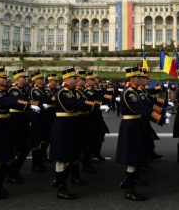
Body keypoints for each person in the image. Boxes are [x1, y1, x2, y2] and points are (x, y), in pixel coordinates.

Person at [0, 67, 41, 200]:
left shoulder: (4, 92)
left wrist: (30, 103)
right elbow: (10, 102)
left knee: (8, 158)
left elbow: (18, 100)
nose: (6, 79)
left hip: (4, 126)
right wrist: (28, 105)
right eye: (3, 78)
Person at [49, 67, 104, 199]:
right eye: (74, 78)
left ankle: (61, 182)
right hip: (63, 127)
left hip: (71, 126)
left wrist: (94, 104)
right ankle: (61, 188)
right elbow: (75, 103)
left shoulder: (72, 91)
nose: (77, 80)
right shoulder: (64, 92)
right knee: (62, 158)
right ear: (67, 79)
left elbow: (80, 101)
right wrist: (95, 105)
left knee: (71, 157)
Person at [116, 67, 167, 201]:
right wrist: (159, 118)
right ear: (132, 79)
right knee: (132, 158)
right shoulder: (129, 93)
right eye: (138, 77)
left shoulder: (137, 92)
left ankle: (130, 183)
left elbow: (148, 103)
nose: (142, 79)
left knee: (136, 156)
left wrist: (162, 108)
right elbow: (141, 108)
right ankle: (129, 190)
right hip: (130, 127)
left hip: (136, 125)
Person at [29, 71, 56, 173]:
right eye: (39, 79)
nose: (41, 80)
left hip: (45, 118)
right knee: (37, 142)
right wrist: (47, 101)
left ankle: (40, 161)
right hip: (37, 118)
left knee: (44, 141)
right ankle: (35, 164)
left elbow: (47, 98)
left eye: (41, 78)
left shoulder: (44, 89)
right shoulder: (34, 90)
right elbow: (36, 100)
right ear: (35, 80)